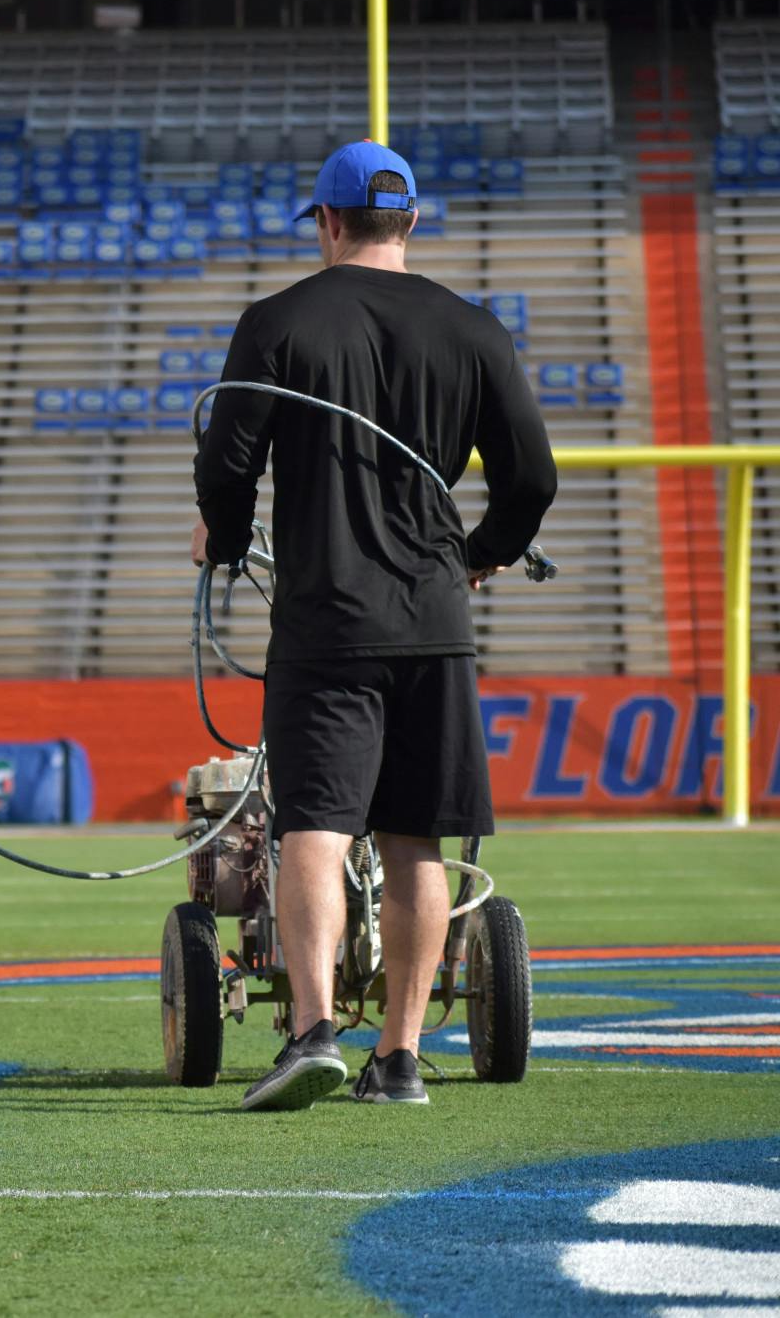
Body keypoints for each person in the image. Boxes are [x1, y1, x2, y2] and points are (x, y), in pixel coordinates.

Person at [191, 142, 557, 1110]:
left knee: (311, 826)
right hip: (432, 619)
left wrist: (224, 540)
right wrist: (476, 554)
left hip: (325, 617)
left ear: (325, 221)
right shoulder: (472, 327)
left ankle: (311, 1031)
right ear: (411, 223)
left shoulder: (276, 322)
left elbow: (224, 466)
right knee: (416, 840)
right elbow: (532, 479)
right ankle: (396, 1061)